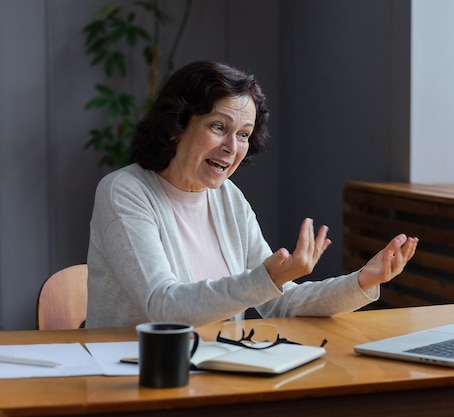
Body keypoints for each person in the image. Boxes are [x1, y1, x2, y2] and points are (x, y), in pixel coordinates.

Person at [85, 61, 418, 328]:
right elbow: (163, 307)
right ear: (176, 128)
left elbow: (281, 301)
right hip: (134, 377)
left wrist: (362, 280)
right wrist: (267, 278)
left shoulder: (228, 198)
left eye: (244, 135)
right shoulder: (124, 191)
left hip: (212, 373)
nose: (232, 147)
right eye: (218, 127)